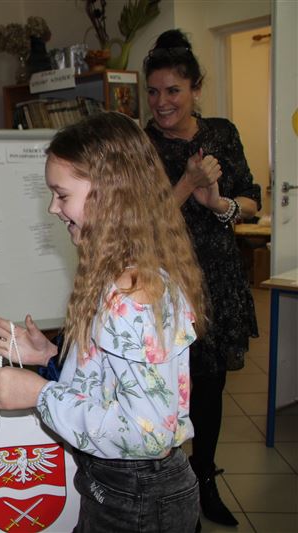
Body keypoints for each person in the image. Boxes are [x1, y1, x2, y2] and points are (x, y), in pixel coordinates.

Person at [0, 111, 207, 533]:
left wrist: (40, 394)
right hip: (122, 486)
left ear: (110, 195)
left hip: (137, 496)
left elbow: (148, 433)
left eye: (61, 195)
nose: (53, 207)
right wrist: (49, 357)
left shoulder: (131, 295)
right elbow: (115, 381)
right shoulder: (124, 274)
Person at [143, 29, 261, 527]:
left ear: (195, 88)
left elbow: (251, 201)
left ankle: (203, 479)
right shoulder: (142, 144)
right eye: (153, 91)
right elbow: (141, 222)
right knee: (166, 391)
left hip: (217, 279)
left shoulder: (222, 134)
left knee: (210, 390)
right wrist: (187, 183)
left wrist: (218, 203)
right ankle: (170, 489)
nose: (162, 102)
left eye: (173, 90)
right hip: (164, 284)